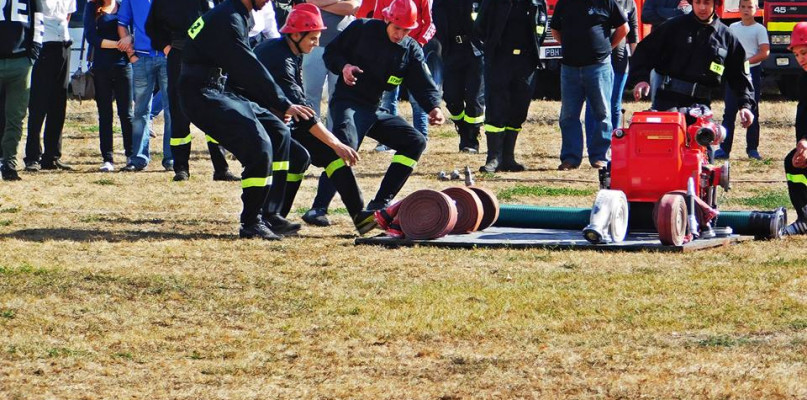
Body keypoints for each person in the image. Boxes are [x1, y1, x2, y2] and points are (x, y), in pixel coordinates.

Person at [178, 0, 315, 239]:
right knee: (259, 145)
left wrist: (276, 103)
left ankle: (270, 214)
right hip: (201, 93)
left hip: (219, 88)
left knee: (279, 133)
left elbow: (245, 64)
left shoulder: (237, 14)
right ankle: (251, 223)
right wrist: (281, 102)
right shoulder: (229, 18)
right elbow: (248, 66)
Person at [321, 0, 445, 233]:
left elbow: (423, 84)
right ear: (387, 20)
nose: (400, 34)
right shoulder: (362, 29)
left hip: (373, 108)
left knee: (415, 141)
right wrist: (344, 66)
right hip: (348, 102)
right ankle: (319, 208)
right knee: (344, 145)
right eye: (396, 28)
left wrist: (434, 107)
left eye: (406, 30)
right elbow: (331, 53)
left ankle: (380, 204)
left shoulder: (410, 49)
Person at [254, 3, 360, 220]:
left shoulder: (292, 51)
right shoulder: (279, 58)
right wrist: (337, 143)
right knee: (301, 155)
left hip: (278, 117)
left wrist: (334, 147)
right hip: (253, 120)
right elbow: (304, 113)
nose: (317, 43)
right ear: (295, 35)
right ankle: (271, 216)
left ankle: (362, 218)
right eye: (313, 38)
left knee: (324, 157)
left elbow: (297, 107)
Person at [145, 0, 240, 182]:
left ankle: (221, 169)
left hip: (209, 58)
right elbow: (152, 26)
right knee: (179, 111)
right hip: (179, 56)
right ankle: (181, 168)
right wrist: (166, 47)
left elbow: (224, 20)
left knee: (214, 112)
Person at [631, 0, 755, 122]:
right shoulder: (673, 27)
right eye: (698, 2)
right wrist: (640, 79)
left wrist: (745, 106)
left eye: (706, 3)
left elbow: (739, 74)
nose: (702, 7)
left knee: (707, 141)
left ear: (715, 4)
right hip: (668, 101)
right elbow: (645, 51)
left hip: (701, 105)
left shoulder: (725, 36)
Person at [298, 0, 360, 227]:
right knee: (309, 98)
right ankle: (310, 141)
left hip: (343, 47)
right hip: (315, 45)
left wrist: (321, 4)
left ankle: (332, 144)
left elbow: (351, 7)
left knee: (337, 102)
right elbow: (308, 2)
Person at [357, 0, 435, 142]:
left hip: (413, 52)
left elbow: (430, 23)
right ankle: (387, 140)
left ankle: (421, 136)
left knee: (417, 95)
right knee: (388, 96)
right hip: (389, 51)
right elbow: (378, 21)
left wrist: (417, 44)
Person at [117, 0, 173, 172]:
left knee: (172, 110)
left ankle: (171, 158)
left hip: (167, 57)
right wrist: (131, 54)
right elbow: (122, 23)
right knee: (141, 110)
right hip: (141, 57)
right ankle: (139, 158)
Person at [24, 0, 75, 172]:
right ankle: (32, 156)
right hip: (43, 44)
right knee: (38, 104)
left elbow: (68, 15)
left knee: (59, 102)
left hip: (63, 44)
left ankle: (52, 156)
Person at [84, 0, 135, 172]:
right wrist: (118, 44)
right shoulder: (92, 6)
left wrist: (129, 39)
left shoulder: (124, 6)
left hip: (123, 67)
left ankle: (131, 154)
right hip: (101, 68)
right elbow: (91, 37)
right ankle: (108, 158)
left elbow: (136, 30)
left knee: (126, 113)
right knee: (105, 114)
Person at [715, 0, 769, 161]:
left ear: (756, 9)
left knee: (752, 111)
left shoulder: (759, 29)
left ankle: (752, 149)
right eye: (743, 7)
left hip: (752, 72)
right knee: (729, 112)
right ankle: (724, 149)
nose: (746, 10)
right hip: (734, 73)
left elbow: (765, 52)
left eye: (750, 7)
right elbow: (726, 48)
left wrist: (746, 62)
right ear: (738, 9)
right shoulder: (732, 28)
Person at [433, 0, 484, 154]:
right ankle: (462, 128)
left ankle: (472, 138)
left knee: (474, 98)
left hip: (476, 50)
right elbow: (435, 18)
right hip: (452, 50)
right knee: (451, 96)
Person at [0, 0, 41, 181]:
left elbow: (38, 22)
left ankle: (9, 162)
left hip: (20, 61)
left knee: (15, 116)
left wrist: (32, 54)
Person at [584, 0, 637, 135]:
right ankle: (593, 143)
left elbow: (633, 34)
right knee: (593, 105)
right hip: (596, 62)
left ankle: (613, 141)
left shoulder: (629, 3)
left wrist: (637, 65)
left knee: (614, 105)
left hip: (619, 62)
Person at [783, 21, 807, 235]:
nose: (801, 59)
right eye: (798, 55)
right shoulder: (804, 80)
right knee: (793, 164)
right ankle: (804, 218)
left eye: (805, 52)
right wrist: (802, 145)